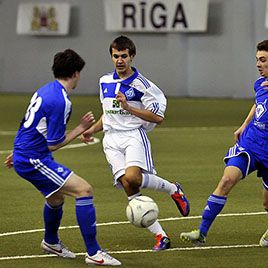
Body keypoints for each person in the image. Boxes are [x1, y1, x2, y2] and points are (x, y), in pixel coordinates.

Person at [4, 49, 121, 266]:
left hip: (27, 155)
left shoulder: (44, 90)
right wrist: (81, 128)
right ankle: (94, 253)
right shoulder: (60, 100)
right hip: (34, 159)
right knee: (84, 190)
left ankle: (50, 242)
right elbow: (54, 144)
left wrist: (18, 151)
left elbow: (28, 125)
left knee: (56, 198)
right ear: (76, 73)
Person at [81, 35, 190, 251]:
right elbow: (108, 115)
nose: (119, 60)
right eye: (115, 56)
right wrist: (91, 130)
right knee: (128, 185)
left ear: (132, 57)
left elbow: (158, 117)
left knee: (133, 177)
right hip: (111, 140)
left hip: (132, 135)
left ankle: (172, 189)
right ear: (111, 57)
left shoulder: (143, 85)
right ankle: (161, 236)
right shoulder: (105, 81)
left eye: (123, 56)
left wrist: (129, 107)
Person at [180, 40, 268, 247]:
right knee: (227, 180)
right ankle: (201, 232)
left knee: (266, 204)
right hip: (251, 143)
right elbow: (258, 105)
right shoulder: (259, 84)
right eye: (257, 60)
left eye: (263, 60)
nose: (258, 64)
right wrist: (243, 126)